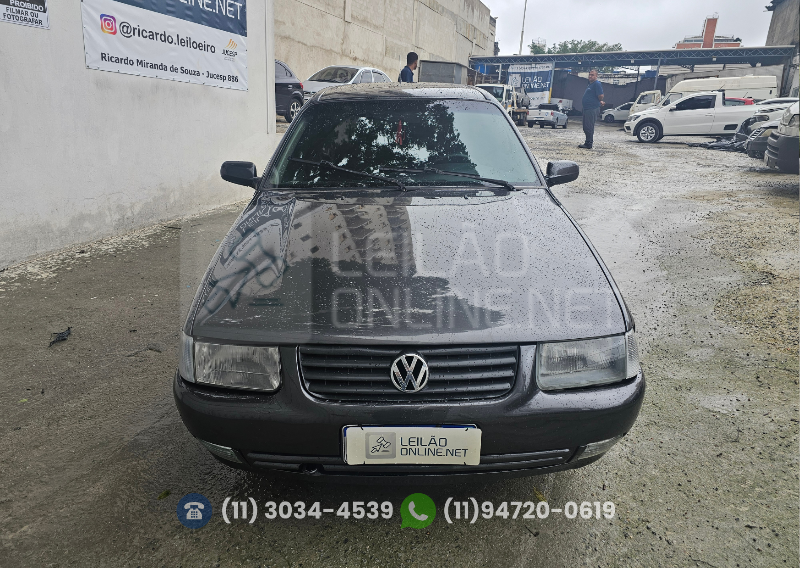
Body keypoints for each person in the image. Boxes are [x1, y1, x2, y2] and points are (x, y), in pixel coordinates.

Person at [579, 69, 605, 149]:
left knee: (589, 126)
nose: (590, 76)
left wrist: (600, 100)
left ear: (596, 76)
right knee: (586, 126)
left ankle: (589, 143)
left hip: (592, 108)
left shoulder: (597, 84)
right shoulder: (590, 85)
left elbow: (601, 95)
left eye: (592, 75)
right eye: (589, 75)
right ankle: (587, 142)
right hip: (587, 108)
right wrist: (599, 101)